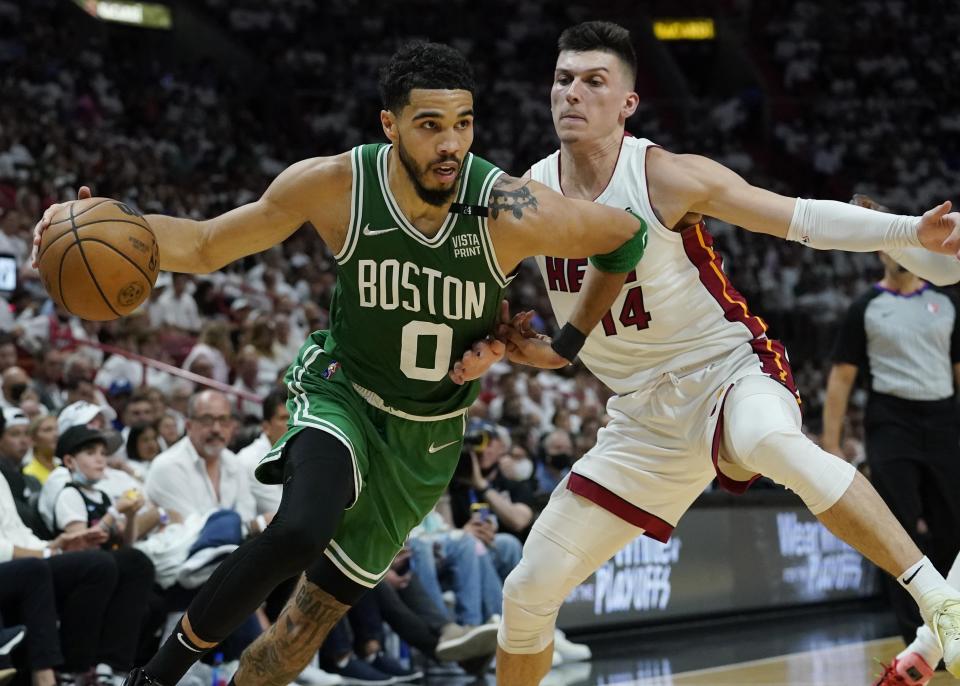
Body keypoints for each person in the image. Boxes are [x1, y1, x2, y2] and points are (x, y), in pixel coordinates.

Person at [33, 42, 646, 686]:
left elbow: (624, 238)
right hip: (342, 393)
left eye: (463, 124)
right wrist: (96, 222)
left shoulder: (508, 206)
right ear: (390, 126)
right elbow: (209, 243)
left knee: (299, 633)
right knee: (301, 526)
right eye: (429, 125)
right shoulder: (336, 186)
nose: (450, 144)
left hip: (425, 438)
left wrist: (564, 346)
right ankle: (154, 678)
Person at [455, 22, 960, 685]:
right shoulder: (531, 193)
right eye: (563, 79)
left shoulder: (665, 175)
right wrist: (500, 346)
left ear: (628, 103)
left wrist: (907, 229)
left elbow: (800, 217)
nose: (572, 93)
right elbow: (483, 281)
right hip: (639, 419)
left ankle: (939, 600)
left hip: (727, 372)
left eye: (593, 81)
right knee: (526, 591)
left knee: (774, 442)